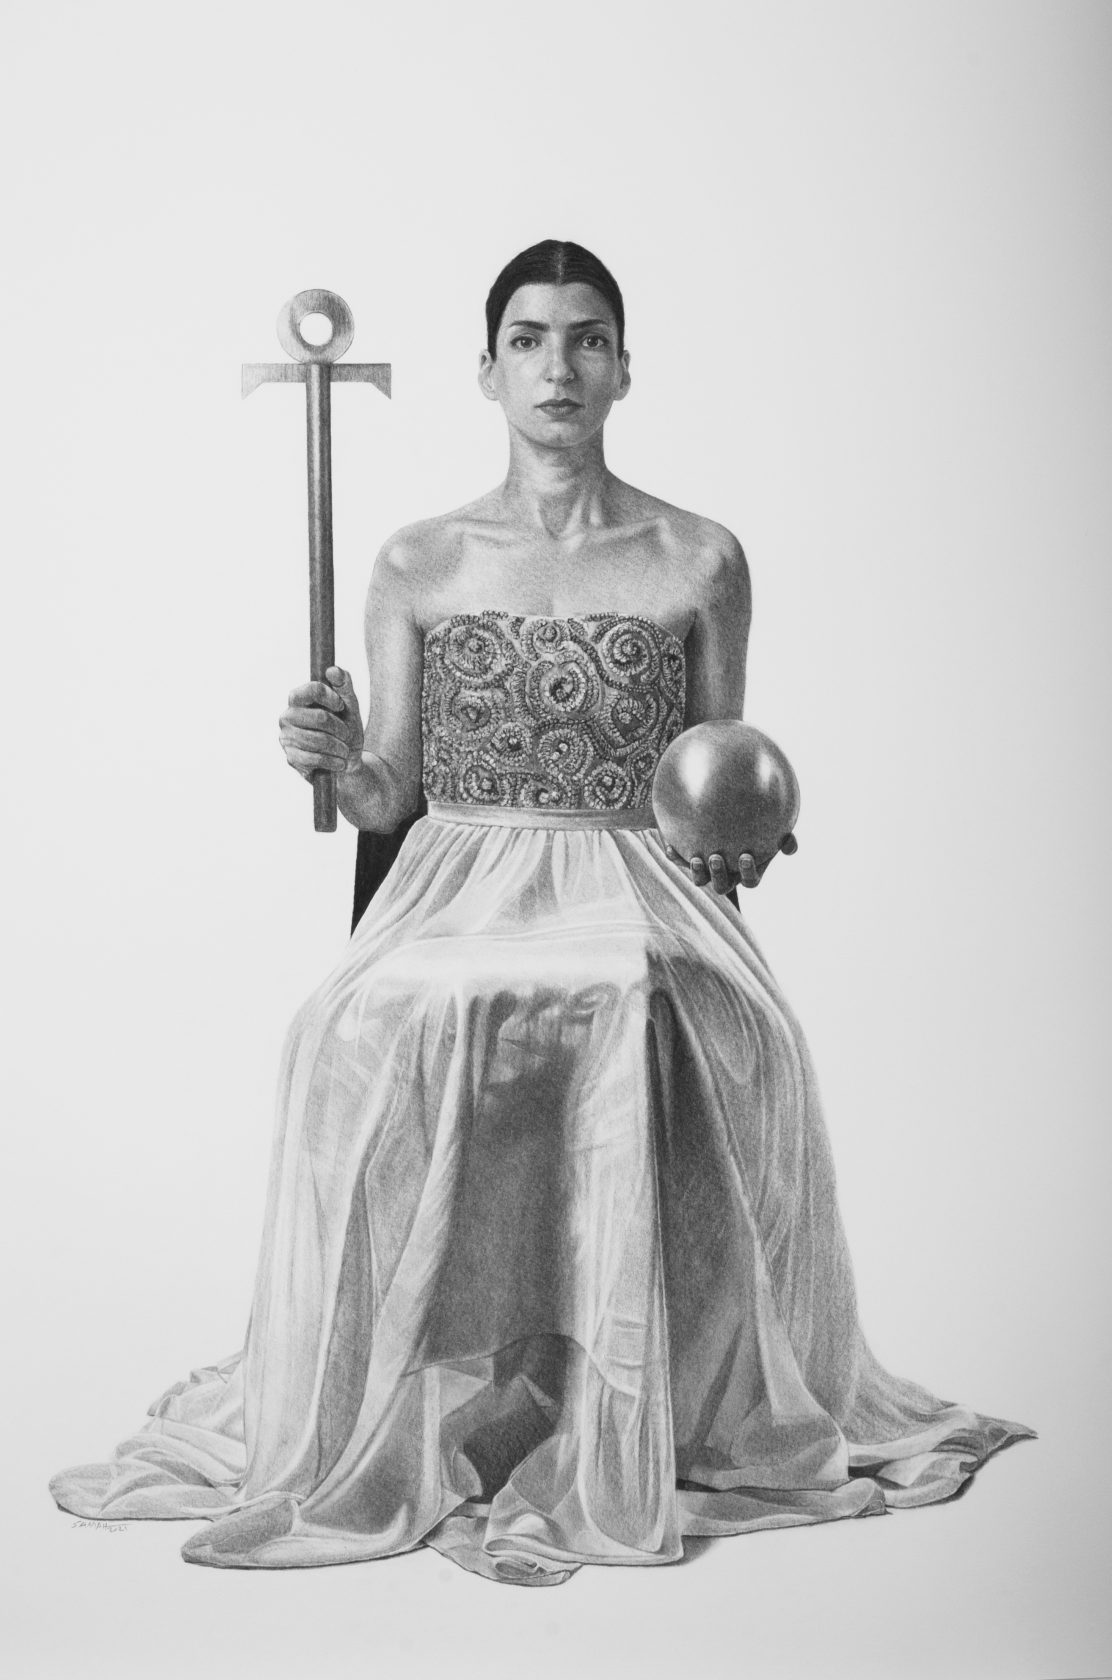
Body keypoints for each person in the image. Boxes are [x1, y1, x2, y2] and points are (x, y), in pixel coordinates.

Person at [50, 239, 1033, 1586]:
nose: (558, 366)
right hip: (457, 884)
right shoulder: (419, 560)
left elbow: (710, 772)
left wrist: (742, 834)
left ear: (624, 367)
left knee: (646, 1003)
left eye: (586, 339)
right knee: (347, 1026)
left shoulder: (700, 558)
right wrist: (333, 760)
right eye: (528, 339)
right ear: (486, 370)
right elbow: (392, 789)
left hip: (633, 882)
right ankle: (418, 1391)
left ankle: (641, 1396)